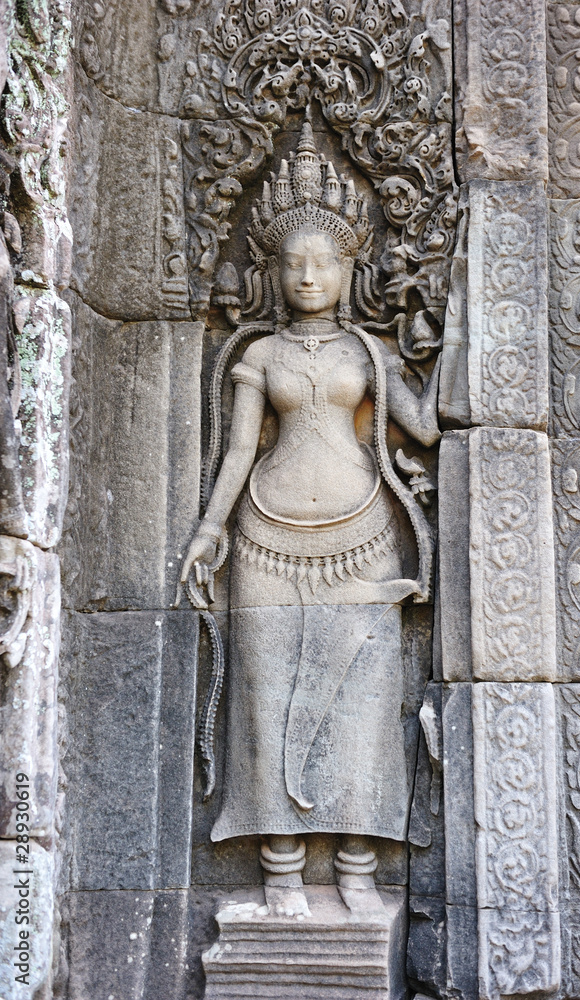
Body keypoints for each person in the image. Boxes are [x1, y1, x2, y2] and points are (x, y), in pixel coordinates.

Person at [180, 122, 440, 917]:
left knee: (364, 706)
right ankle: (283, 873)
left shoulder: (371, 355)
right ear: (272, 270)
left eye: (322, 261)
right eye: (292, 262)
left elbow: (425, 430)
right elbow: (232, 457)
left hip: (362, 541)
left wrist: (448, 329)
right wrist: (207, 531)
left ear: (347, 266)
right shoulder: (257, 355)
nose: (307, 275)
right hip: (265, 537)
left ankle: (358, 868)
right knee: (265, 703)